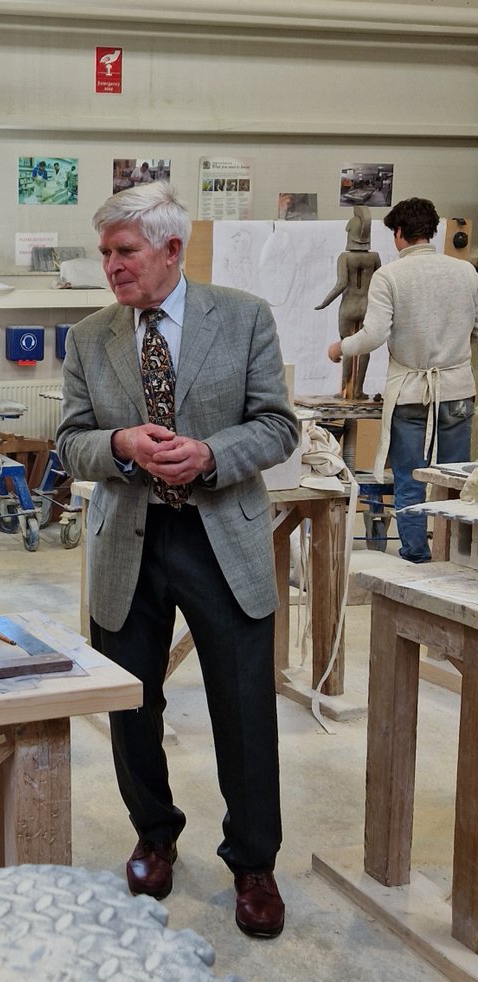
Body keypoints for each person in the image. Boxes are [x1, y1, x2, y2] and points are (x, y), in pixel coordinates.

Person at [56, 181, 298, 938]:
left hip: (219, 537)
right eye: (104, 252)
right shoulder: (90, 337)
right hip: (129, 539)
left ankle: (253, 863)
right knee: (132, 706)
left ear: (170, 248)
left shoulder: (245, 318)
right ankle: (154, 833)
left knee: (243, 706)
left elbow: (278, 425)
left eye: (125, 252)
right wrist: (123, 447)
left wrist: (210, 455)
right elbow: (68, 443)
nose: (111, 267)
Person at [328, 197, 478, 563]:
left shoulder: (391, 276)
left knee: (410, 482)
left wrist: (341, 347)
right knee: (456, 484)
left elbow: (374, 334)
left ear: (399, 233)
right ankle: (456, 560)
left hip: (412, 393)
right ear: (432, 231)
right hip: (457, 391)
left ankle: (417, 556)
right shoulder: (466, 272)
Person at [315, 205, 381, 399]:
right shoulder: (374, 257)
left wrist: (325, 302)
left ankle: (345, 390)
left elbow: (342, 283)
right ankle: (358, 390)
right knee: (364, 347)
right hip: (367, 306)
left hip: (349, 307)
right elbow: (380, 282)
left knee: (348, 345)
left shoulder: (345, 257)